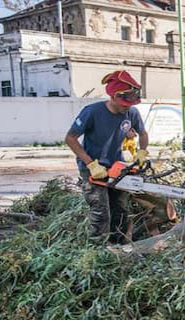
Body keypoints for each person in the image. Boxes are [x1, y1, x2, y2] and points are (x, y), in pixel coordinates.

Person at [65, 69, 149, 243]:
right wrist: (91, 164)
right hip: (92, 167)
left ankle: (119, 245)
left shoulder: (131, 113)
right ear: (113, 97)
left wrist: (142, 152)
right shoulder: (92, 112)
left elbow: (142, 133)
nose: (128, 107)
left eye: (130, 104)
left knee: (121, 209)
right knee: (100, 211)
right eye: (124, 104)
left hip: (117, 165)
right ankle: (98, 248)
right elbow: (70, 138)